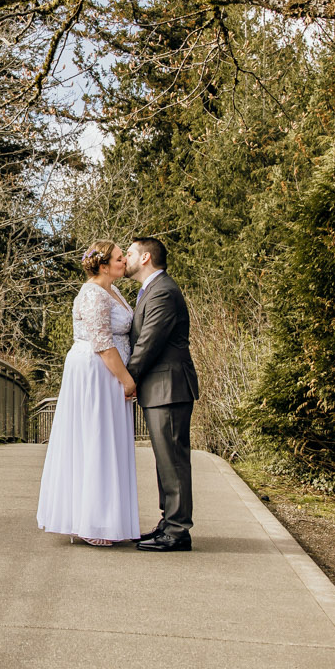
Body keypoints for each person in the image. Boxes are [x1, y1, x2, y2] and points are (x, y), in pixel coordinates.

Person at [35, 240, 140, 546]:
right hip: (97, 372)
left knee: (106, 442)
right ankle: (91, 521)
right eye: (120, 258)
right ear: (104, 265)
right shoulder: (93, 293)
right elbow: (103, 342)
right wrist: (127, 380)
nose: (125, 262)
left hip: (108, 372)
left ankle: (104, 516)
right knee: (95, 439)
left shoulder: (112, 290)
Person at [124, 236, 199, 552]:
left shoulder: (163, 292)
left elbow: (149, 343)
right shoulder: (151, 291)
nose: (124, 258)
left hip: (169, 387)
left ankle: (178, 530)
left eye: (129, 253)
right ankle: (168, 523)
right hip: (161, 388)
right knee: (165, 460)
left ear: (145, 258)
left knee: (173, 460)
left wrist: (126, 378)